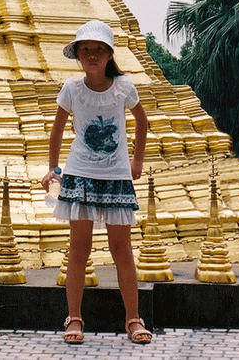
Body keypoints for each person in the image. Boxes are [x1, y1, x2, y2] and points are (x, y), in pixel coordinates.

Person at [41, 20, 151, 345]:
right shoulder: (72, 89)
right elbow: (57, 131)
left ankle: (133, 318)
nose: (92, 55)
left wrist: (137, 161)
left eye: (98, 50)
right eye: (85, 50)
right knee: (79, 249)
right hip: (80, 176)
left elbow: (142, 122)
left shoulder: (123, 87)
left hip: (115, 177)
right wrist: (53, 169)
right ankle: (74, 318)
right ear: (77, 55)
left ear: (108, 55)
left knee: (122, 250)